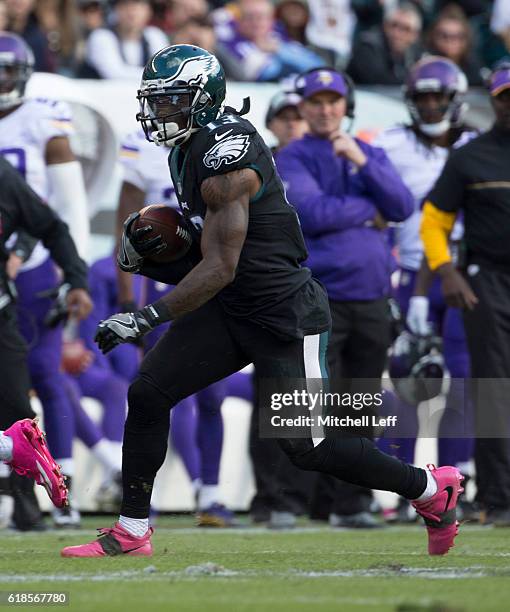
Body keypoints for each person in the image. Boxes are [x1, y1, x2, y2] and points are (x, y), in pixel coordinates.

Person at [61, 44, 464, 558]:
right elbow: (213, 258)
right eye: (156, 101)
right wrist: (156, 260)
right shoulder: (187, 145)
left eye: (172, 101)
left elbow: (222, 264)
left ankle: (430, 489)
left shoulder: (229, 153)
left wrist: (146, 315)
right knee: (147, 394)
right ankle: (132, 529)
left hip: (284, 313)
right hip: (233, 306)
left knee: (307, 445)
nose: (160, 113)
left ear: (203, 99)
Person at [276, 67, 413, 527]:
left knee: (360, 404)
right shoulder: (292, 155)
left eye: (333, 101)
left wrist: (361, 161)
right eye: (316, 102)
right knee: (308, 401)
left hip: (372, 297)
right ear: (304, 108)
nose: (325, 109)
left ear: (346, 105)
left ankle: (351, 503)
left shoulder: (367, 153)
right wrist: (367, 209)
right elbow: (310, 213)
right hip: (320, 298)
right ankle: (291, 501)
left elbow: (401, 206)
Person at [374, 56, 477, 522]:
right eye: (424, 97)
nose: (431, 105)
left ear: (455, 100)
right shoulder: (392, 143)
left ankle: (465, 480)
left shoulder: (476, 147)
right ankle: (401, 484)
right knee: (406, 386)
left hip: (462, 277)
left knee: (464, 384)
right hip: (408, 274)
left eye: (439, 96)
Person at [115, 128, 236, 526]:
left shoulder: (220, 143)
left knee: (211, 396)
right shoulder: (142, 146)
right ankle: (156, 499)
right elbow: (127, 224)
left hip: (214, 277)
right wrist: (130, 298)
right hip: (165, 284)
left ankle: (211, 492)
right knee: (161, 390)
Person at [0, 30, 91, 527]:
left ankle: (59, 491)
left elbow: (63, 205)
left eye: (4, 72)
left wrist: (69, 272)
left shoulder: (41, 117)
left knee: (42, 379)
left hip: (32, 270)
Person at [420, 63, 510, 526]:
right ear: (492, 100)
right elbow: (434, 219)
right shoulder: (470, 157)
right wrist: (446, 270)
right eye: (505, 96)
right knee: (494, 389)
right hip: (488, 281)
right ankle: (499, 499)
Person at [214, 0, 324, 81]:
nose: (255, 22)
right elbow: (262, 74)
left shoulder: (280, 40)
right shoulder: (227, 43)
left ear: (271, 20)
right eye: (249, 17)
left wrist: (279, 49)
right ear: (238, 21)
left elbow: (316, 66)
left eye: (261, 17)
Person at [83, 0, 168, 79]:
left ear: (149, 11)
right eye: (125, 5)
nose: (132, 12)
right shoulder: (101, 36)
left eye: (138, 5)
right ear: (115, 10)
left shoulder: (154, 35)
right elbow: (114, 74)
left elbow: (165, 69)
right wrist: (155, 75)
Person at [347, 2, 422, 85]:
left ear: (415, 35)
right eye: (394, 25)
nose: (397, 33)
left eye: (406, 29)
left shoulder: (417, 54)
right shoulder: (367, 46)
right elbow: (379, 82)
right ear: (385, 26)